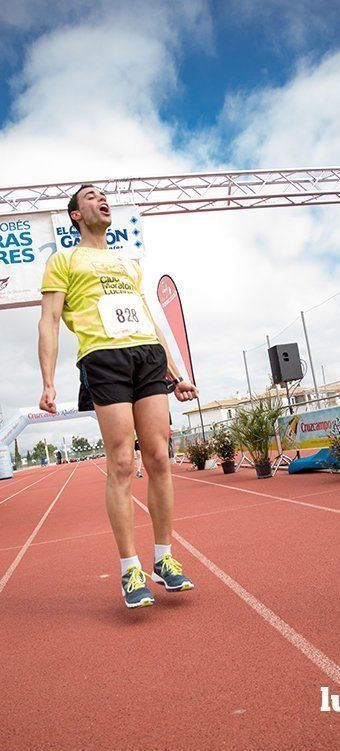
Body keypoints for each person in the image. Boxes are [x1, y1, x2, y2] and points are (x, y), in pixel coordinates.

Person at [38, 184, 199, 609]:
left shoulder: (127, 263)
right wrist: (48, 381)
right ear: (76, 214)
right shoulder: (63, 260)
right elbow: (50, 321)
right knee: (122, 461)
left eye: (103, 195)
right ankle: (130, 568)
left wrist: (175, 371)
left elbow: (149, 318)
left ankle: (164, 560)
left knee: (160, 456)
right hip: (103, 357)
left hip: (146, 354)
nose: (101, 199)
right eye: (90, 196)